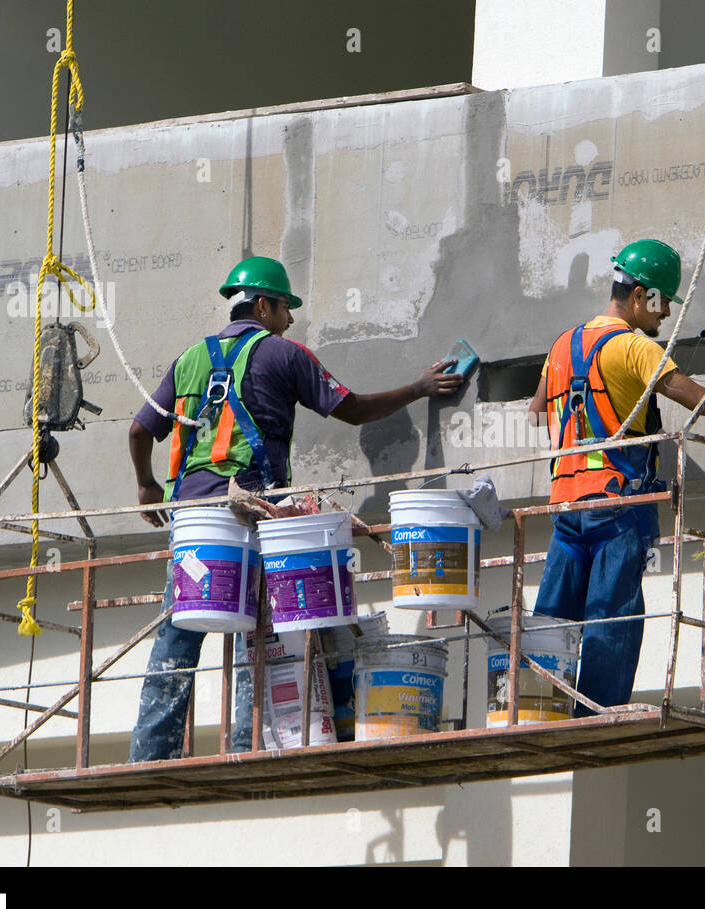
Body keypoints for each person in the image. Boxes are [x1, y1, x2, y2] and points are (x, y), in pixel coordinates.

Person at [127, 255, 463, 761]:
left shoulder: (188, 359)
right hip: (250, 512)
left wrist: (147, 486)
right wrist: (417, 388)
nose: (288, 320)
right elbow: (349, 409)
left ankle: (148, 755)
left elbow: (138, 431)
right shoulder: (283, 355)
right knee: (256, 628)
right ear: (263, 304)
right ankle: (248, 745)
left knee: (179, 630)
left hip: (192, 521)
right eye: (285, 309)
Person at [527, 238, 705, 717]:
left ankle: (538, 705)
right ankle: (596, 713)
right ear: (639, 297)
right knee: (612, 616)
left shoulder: (561, 346)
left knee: (552, 618)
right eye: (660, 305)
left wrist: (592, 419)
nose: (663, 317)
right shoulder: (633, 347)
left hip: (566, 506)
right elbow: (701, 403)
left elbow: (536, 411)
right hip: (615, 507)